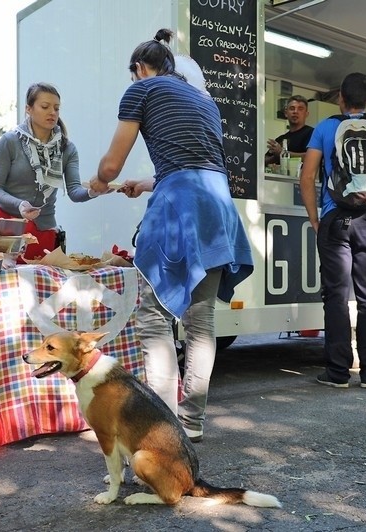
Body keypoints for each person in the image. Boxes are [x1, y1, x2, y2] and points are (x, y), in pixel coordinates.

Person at [89, 29, 253, 443]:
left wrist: (98, 181)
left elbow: (110, 165)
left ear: (140, 69)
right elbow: (194, 164)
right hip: (217, 205)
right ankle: (191, 422)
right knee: (201, 321)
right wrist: (144, 184)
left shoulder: (141, 91)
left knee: (154, 315)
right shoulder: (205, 100)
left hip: (179, 207)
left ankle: (161, 426)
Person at [299, 72, 366, 389]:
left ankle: (338, 372)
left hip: (334, 219)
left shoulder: (326, 127)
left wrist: (316, 219)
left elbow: (308, 175)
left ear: (340, 97)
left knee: (336, 298)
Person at [0, 82, 105, 260]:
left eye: (56, 108)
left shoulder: (67, 149)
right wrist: (20, 204)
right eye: (45, 106)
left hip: (44, 233)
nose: (52, 112)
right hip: (6, 229)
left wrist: (92, 191)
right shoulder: (10, 141)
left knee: (41, 286)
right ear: (28, 108)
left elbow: (74, 191)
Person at [265, 95, 314, 167]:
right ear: (286, 113)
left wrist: (283, 153)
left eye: (300, 109)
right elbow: (263, 161)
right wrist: (276, 156)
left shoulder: (312, 133)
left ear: (306, 114)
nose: (295, 111)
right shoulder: (280, 139)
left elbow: (311, 156)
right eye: (292, 108)